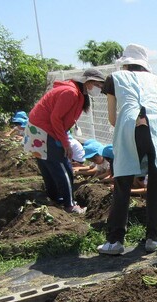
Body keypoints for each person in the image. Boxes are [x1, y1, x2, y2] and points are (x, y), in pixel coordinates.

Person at [97, 43, 157, 255]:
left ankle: (115, 242)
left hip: (129, 126)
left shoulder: (114, 78)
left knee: (122, 185)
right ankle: (154, 239)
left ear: (125, 63)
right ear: (144, 64)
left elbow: (113, 118)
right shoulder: (155, 80)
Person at [23, 68, 105, 214]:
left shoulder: (76, 93)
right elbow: (56, 118)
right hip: (43, 132)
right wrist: (65, 143)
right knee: (62, 167)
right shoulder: (71, 93)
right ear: (89, 82)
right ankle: (69, 205)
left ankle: (55, 198)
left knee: (50, 165)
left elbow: (62, 119)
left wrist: (63, 139)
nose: (100, 89)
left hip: (40, 131)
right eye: (99, 85)